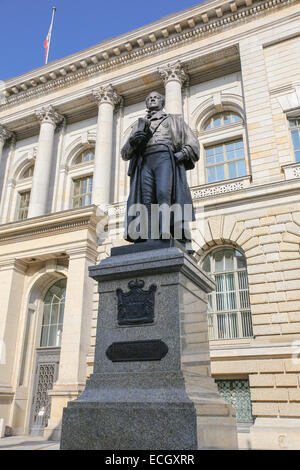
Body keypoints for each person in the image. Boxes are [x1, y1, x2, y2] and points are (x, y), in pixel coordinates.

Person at [121, 91, 199, 248]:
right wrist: (133, 141)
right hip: (145, 161)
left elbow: (193, 143)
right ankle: (150, 235)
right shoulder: (139, 125)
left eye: (155, 97)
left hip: (165, 158)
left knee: (164, 193)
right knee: (147, 199)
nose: (152, 99)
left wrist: (182, 154)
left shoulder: (174, 120)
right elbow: (125, 153)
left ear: (162, 102)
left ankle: (166, 232)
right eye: (149, 98)